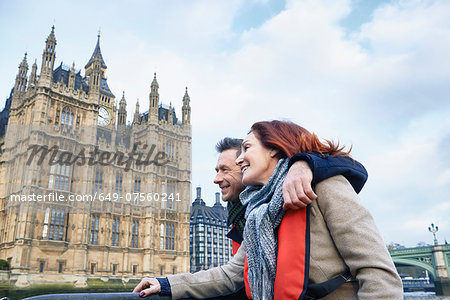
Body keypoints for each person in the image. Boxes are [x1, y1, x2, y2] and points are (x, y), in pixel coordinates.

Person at [134, 135, 370, 299]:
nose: (216, 179)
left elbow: (375, 270)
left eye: (226, 169)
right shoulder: (256, 212)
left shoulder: (311, 183)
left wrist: (305, 163)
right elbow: (234, 273)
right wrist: (166, 284)